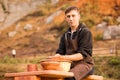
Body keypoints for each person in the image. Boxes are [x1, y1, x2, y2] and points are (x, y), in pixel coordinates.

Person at [49, 6, 94, 80]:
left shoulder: (85, 32)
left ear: (79, 16)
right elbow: (60, 52)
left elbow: (82, 55)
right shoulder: (65, 35)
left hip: (85, 64)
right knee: (52, 76)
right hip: (68, 65)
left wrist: (62, 57)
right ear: (66, 19)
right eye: (68, 16)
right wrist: (54, 58)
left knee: (68, 77)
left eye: (73, 16)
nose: (71, 19)